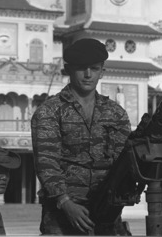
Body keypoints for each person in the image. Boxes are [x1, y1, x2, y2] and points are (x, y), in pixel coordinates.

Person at [31, 38, 131, 235]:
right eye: (81, 68)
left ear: (102, 71)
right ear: (68, 70)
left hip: (107, 212)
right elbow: (46, 163)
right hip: (62, 214)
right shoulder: (50, 112)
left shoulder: (116, 114)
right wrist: (65, 202)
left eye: (94, 68)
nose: (88, 75)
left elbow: (123, 161)